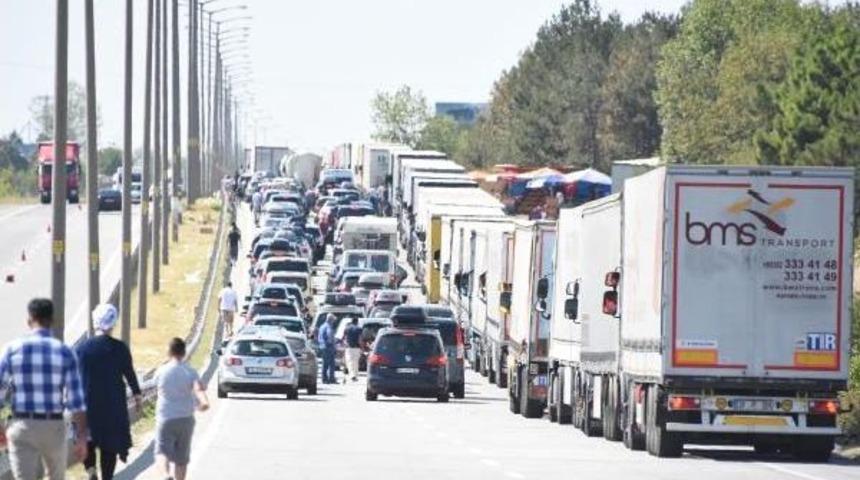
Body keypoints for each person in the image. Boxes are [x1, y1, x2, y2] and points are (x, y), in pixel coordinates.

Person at [0, 298, 88, 480]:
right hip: (53, 426)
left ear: (29, 320)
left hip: (21, 424)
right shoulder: (64, 352)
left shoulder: (11, 350)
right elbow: (76, 400)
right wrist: (81, 437)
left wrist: (0, 427)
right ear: (51, 321)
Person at [77, 304, 142, 480]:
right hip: (113, 407)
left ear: (94, 322)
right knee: (109, 447)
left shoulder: (81, 349)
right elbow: (130, 374)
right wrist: (137, 396)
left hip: (88, 407)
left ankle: (91, 470)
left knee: (88, 441)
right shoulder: (120, 348)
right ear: (113, 323)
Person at [154, 338, 209, 480]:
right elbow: (198, 389)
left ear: (169, 351)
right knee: (181, 459)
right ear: (184, 352)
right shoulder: (190, 371)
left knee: (162, 452)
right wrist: (202, 402)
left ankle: (165, 475)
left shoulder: (162, 371)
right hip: (186, 419)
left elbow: (155, 387)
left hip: (166, 417)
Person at [317, 315, 337, 384]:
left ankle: (329, 378)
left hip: (322, 346)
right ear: (330, 320)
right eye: (333, 320)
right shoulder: (328, 327)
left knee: (328, 363)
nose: (333, 322)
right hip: (328, 347)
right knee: (329, 363)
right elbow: (329, 336)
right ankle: (327, 378)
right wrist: (333, 345)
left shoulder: (322, 326)